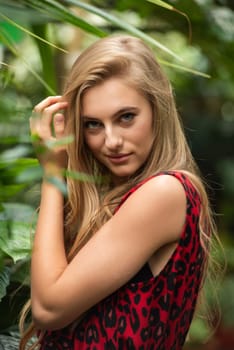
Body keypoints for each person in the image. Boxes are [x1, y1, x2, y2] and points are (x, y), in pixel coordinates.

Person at [19, 34, 218, 350]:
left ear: (157, 110)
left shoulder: (164, 192)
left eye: (126, 117)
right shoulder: (132, 198)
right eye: (93, 124)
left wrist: (53, 172)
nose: (110, 140)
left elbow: (48, 309)